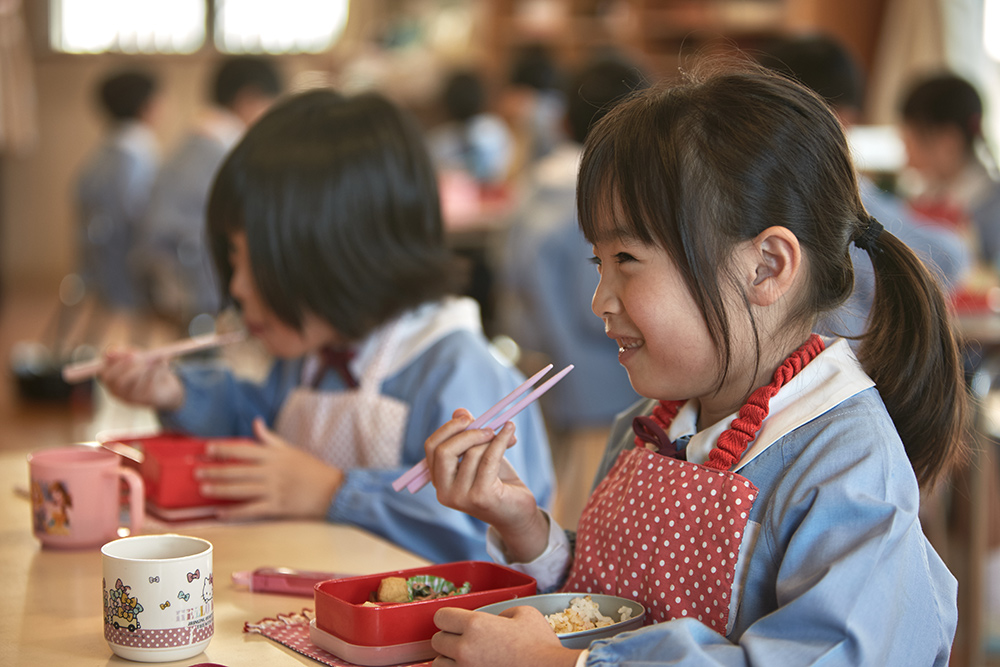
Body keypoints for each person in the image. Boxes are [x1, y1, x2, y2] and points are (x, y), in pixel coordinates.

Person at [422, 64, 967, 665]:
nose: (600, 300)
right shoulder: (651, 425)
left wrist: (558, 663)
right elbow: (613, 609)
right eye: (596, 263)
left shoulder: (847, 465)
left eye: (626, 257)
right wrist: (528, 529)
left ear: (766, 267)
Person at [97, 89, 556, 564]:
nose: (238, 288)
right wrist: (176, 391)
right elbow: (258, 430)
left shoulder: (454, 368)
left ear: (345, 255)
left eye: (259, 265)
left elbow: (483, 534)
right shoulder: (313, 349)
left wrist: (332, 491)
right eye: (233, 260)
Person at [756, 34, 972, 339]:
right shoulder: (845, 193)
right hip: (851, 367)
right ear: (843, 119)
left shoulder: (745, 188)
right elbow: (949, 259)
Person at [498, 55, 646, 431]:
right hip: (604, 395)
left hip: (544, 384)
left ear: (564, 120)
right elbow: (599, 311)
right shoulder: (605, 200)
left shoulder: (535, 187)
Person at [139, 56, 282, 333]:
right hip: (190, 279)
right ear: (248, 98)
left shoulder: (197, 142)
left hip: (169, 272)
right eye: (269, 103)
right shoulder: (221, 151)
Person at [75, 69, 161, 312]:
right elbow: (143, 216)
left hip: (98, 265)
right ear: (147, 106)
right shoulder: (138, 152)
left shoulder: (103, 152)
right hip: (129, 267)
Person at [898, 72, 1000, 271]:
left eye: (912, 140)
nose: (906, 153)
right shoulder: (924, 196)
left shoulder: (991, 209)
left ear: (949, 142)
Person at [428, 69, 514, 187]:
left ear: (445, 104)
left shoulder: (436, 142)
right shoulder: (496, 129)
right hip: (497, 197)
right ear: (483, 98)